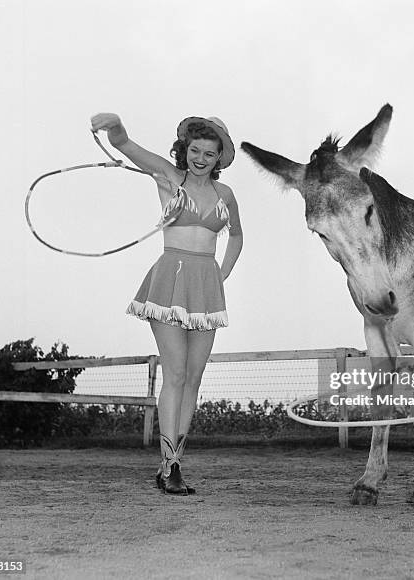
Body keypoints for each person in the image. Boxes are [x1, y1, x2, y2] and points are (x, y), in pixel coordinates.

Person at [90, 112, 243, 494]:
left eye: (210, 153)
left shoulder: (225, 196)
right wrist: (115, 125)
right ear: (184, 149)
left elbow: (237, 236)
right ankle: (169, 466)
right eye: (195, 150)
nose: (201, 158)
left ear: (220, 156)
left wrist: (221, 273)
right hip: (171, 279)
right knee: (174, 374)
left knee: (193, 378)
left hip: (206, 286)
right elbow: (126, 145)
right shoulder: (169, 176)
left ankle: (175, 463)